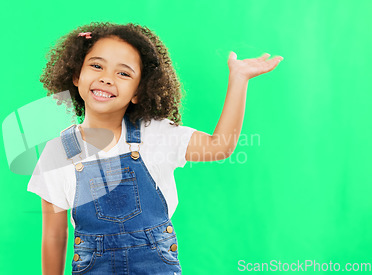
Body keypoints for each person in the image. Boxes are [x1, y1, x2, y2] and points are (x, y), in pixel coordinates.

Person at [27, 22, 283, 274]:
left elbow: (220, 146)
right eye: (96, 66)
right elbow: (54, 235)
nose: (106, 78)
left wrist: (239, 79)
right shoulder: (59, 151)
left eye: (123, 73)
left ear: (139, 92)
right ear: (76, 75)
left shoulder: (155, 134)